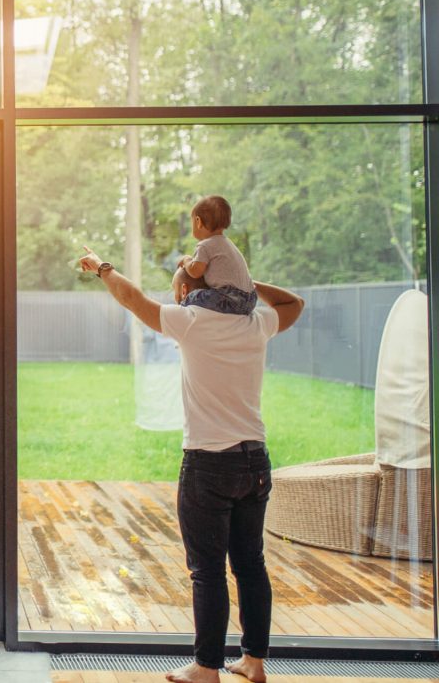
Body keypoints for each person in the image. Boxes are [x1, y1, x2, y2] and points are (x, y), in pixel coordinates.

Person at [79, 247, 304, 683]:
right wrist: (246, 288)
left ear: (184, 290)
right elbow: (295, 304)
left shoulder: (191, 321)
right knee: (250, 563)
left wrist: (101, 266)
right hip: (254, 460)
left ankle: (206, 667)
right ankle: (254, 662)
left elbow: (131, 298)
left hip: (209, 463)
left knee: (207, 571)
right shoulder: (253, 323)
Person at [177, 195, 257, 316]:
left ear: (198, 222)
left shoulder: (205, 245)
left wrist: (186, 260)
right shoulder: (227, 243)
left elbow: (195, 271)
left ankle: (182, 312)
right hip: (251, 299)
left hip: (231, 299)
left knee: (194, 295)